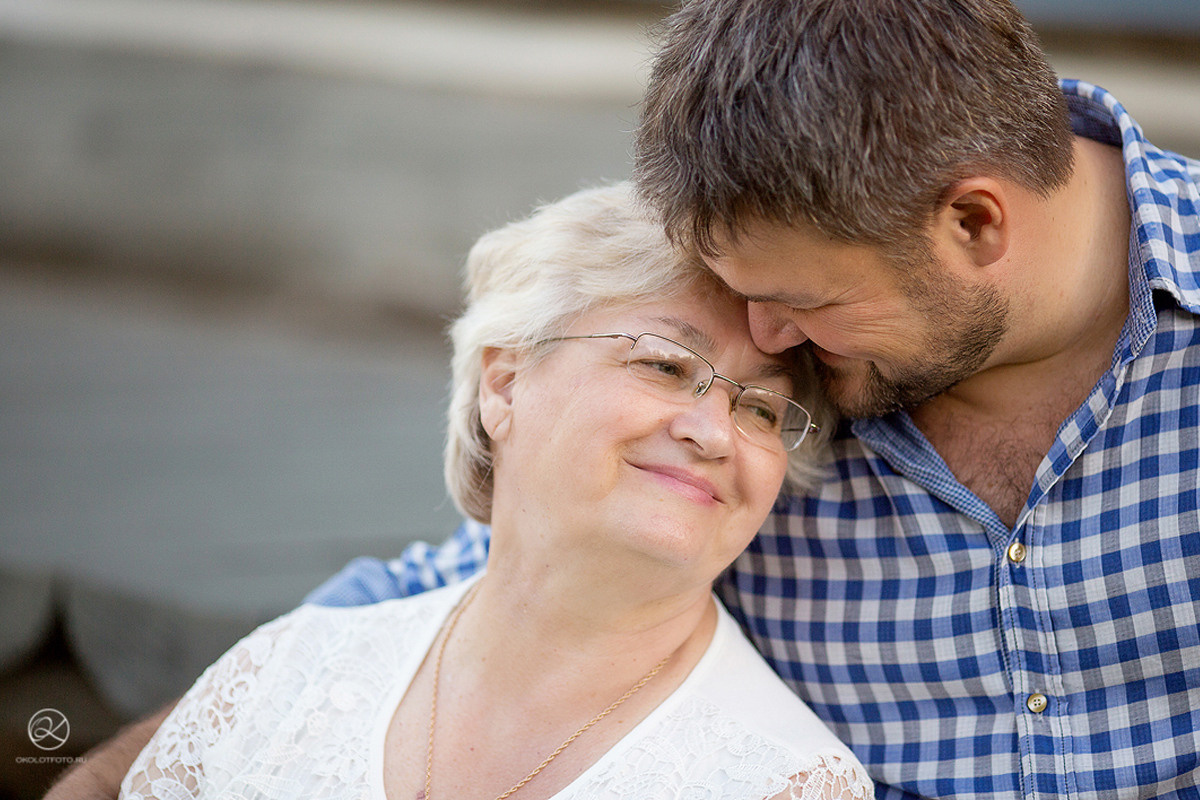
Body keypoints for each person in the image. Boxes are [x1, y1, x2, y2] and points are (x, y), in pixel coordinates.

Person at [44, 0, 1200, 798]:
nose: (765, 348)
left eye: (799, 304)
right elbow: (488, 584)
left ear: (976, 223)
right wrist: (129, 768)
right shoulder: (784, 402)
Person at [112, 183, 873, 800]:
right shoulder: (282, 673)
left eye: (761, 409)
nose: (714, 431)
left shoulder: (783, 782)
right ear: (504, 385)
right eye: (666, 366)